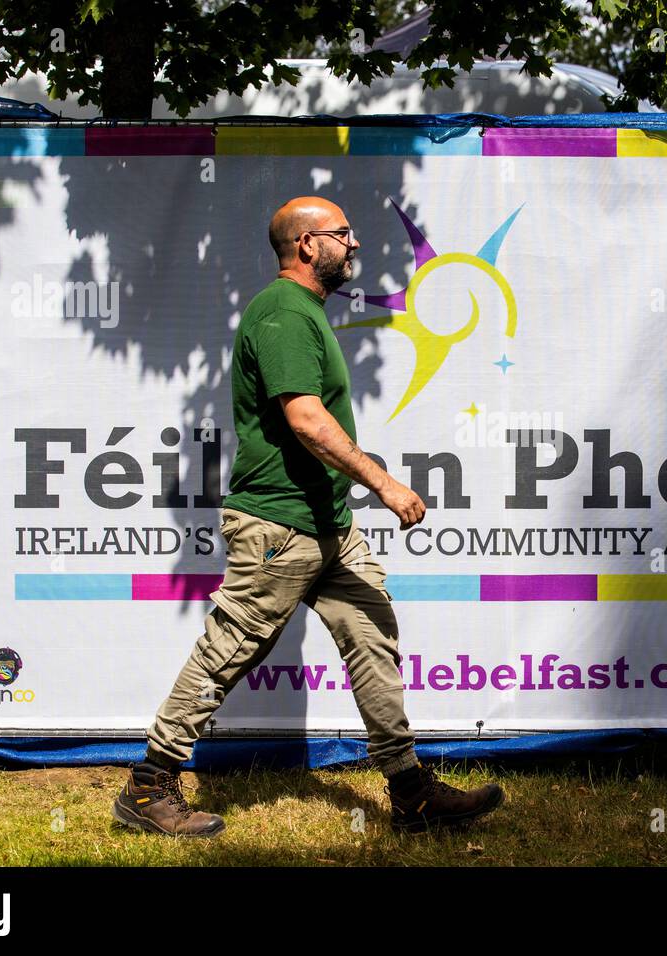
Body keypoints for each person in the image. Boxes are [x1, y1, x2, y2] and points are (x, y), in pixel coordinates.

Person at [112, 196, 505, 837]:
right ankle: (147, 787)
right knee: (227, 653)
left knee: (372, 635)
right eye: (341, 234)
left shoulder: (308, 313)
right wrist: (382, 482)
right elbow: (305, 419)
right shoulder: (283, 313)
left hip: (329, 525)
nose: (354, 245)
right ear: (305, 246)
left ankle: (411, 794)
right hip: (280, 526)